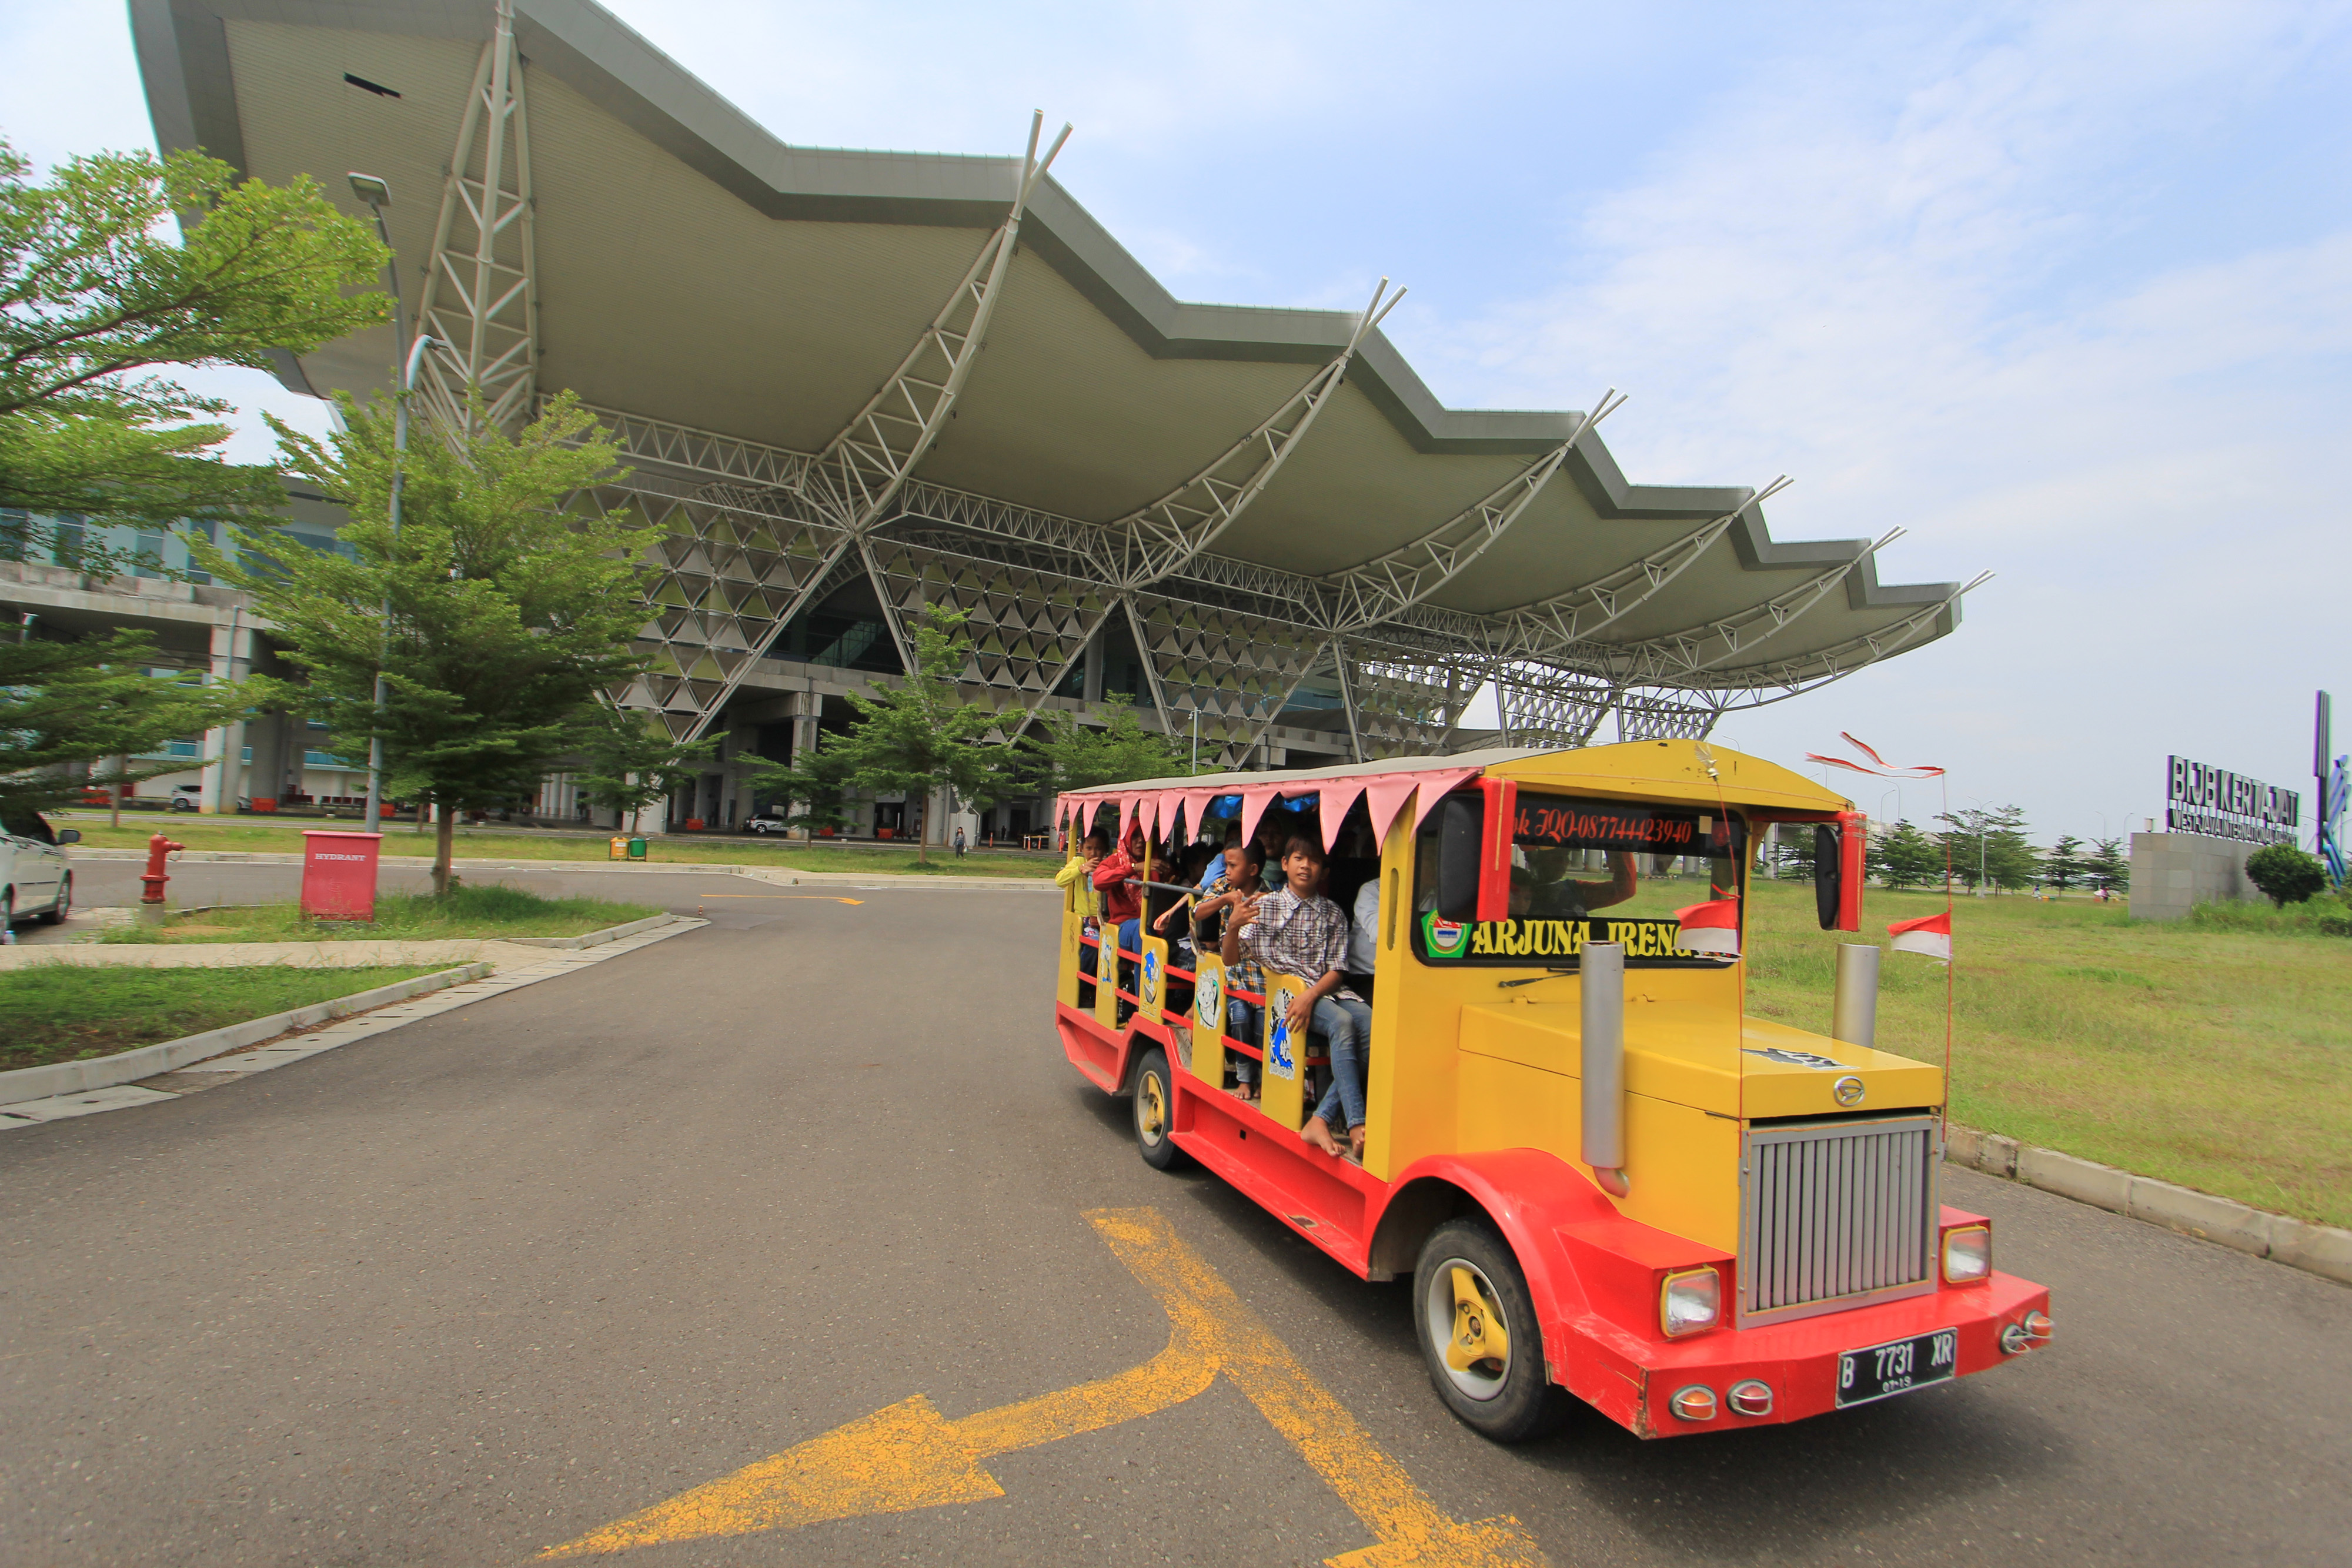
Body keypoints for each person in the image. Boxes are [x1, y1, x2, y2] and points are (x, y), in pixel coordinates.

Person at [1225, 837, 1369, 1158]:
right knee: (1343, 1025)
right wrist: (1232, 927)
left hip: (1324, 992)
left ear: (1324, 871)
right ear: (1286, 864)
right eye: (1300, 859)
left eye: (1314, 861)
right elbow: (1230, 959)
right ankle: (1356, 1122)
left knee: (1374, 1028)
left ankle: (1321, 1118)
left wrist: (1311, 996)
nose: (1306, 866)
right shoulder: (1265, 905)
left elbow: (1337, 970)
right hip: (1286, 995)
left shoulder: (1333, 913)